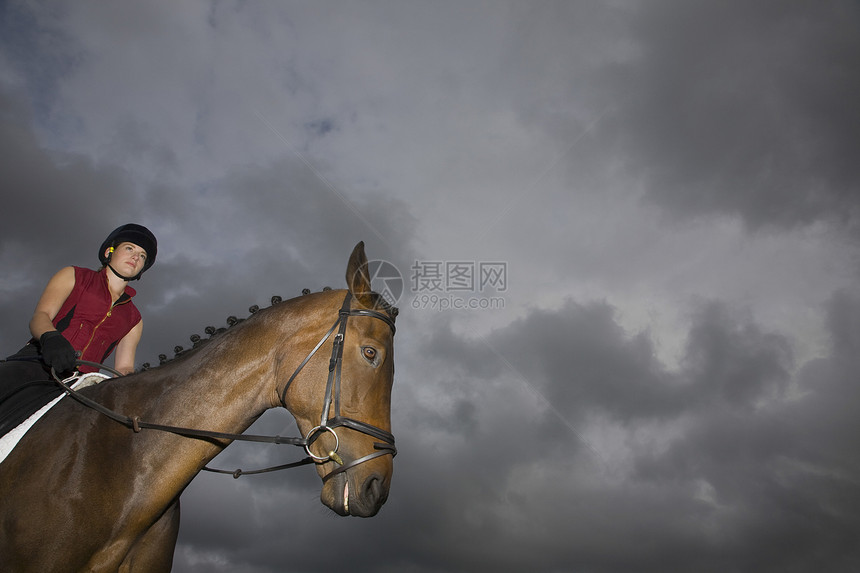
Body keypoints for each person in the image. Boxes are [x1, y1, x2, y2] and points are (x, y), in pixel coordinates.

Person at [0, 223, 157, 436]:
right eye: (129, 248)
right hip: (38, 365)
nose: (136, 257)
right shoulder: (73, 275)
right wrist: (51, 338)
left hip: (80, 387)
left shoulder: (134, 318)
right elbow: (41, 316)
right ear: (109, 251)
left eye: (142, 255)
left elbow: (124, 368)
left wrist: (139, 387)